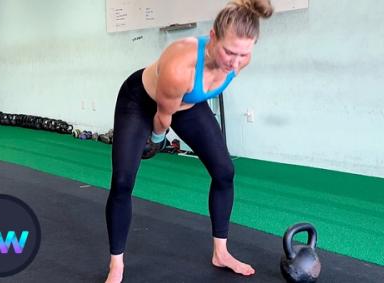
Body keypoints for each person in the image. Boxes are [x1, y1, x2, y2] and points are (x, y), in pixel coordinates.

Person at [105, 0, 273, 282]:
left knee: (224, 172)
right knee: (123, 181)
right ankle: (116, 264)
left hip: (187, 104)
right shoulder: (180, 64)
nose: (235, 62)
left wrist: (234, 60)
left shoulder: (240, 60)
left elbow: (195, 98)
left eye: (243, 54)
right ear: (214, 37)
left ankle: (221, 252)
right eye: (230, 52)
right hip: (141, 101)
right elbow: (162, 116)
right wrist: (156, 142)